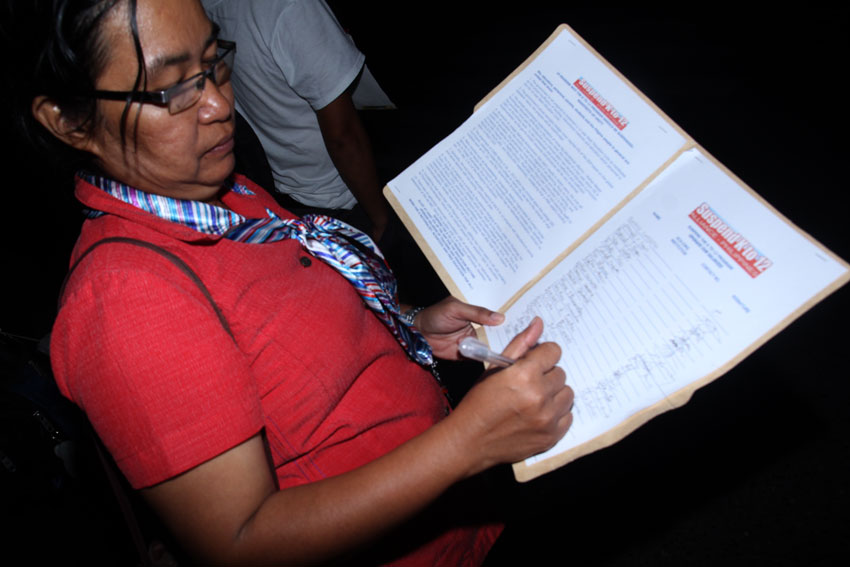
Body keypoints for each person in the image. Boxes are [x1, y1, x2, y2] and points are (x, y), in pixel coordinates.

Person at [9, 0, 574, 564]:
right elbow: (240, 543)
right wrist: (466, 445)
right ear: (68, 120)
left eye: (214, 62)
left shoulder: (213, 193)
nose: (218, 103)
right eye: (172, 90)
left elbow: (292, 355)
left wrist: (414, 326)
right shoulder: (125, 300)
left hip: (457, 521)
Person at [200, 0, 391, 240]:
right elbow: (344, 137)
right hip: (341, 194)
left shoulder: (202, 6)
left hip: (281, 188)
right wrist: (380, 217)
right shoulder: (290, 6)